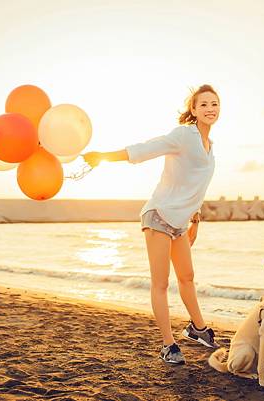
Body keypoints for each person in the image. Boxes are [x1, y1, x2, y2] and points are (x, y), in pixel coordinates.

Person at [83, 85, 221, 364]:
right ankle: (168, 345)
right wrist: (103, 156)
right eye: (203, 104)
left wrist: (195, 219)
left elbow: (197, 188)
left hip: (181, 221)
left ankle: (198, 329)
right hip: (158, 215)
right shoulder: (183, 135)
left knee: (187, 277)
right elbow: (146, 149)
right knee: (161, 283)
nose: (210, 108)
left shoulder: (210, 146)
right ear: (193, 110)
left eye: (214, 104)